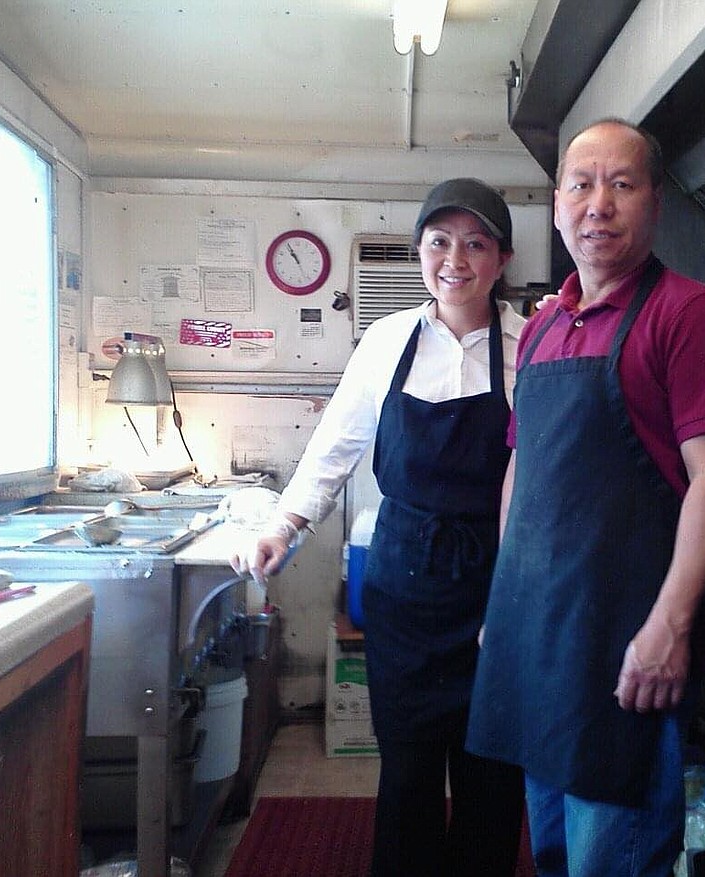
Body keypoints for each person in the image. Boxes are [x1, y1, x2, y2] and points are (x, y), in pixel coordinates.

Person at [467, 118, 705, 875]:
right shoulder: (541, 329)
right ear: (557, 204)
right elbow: (521, 473)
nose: (599, 204)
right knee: (555, 854)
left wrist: (670, 627)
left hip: (626, 647)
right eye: (582, 184)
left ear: (655, 202)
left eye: (622, 185)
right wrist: (504, 604)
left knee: (611, 861)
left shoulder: (691, 315)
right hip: (539, 640)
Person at [230, 178, 526, 877]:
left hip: (499, 577)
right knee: (409, 765)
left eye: (476, 243)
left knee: (492, 766)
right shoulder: (387, 341)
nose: (456, 259)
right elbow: (335, 445)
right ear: (420, 251)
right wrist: (285, 523)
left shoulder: (530, 342)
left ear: (503, 258)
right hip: (406, 575)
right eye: (439, 242)